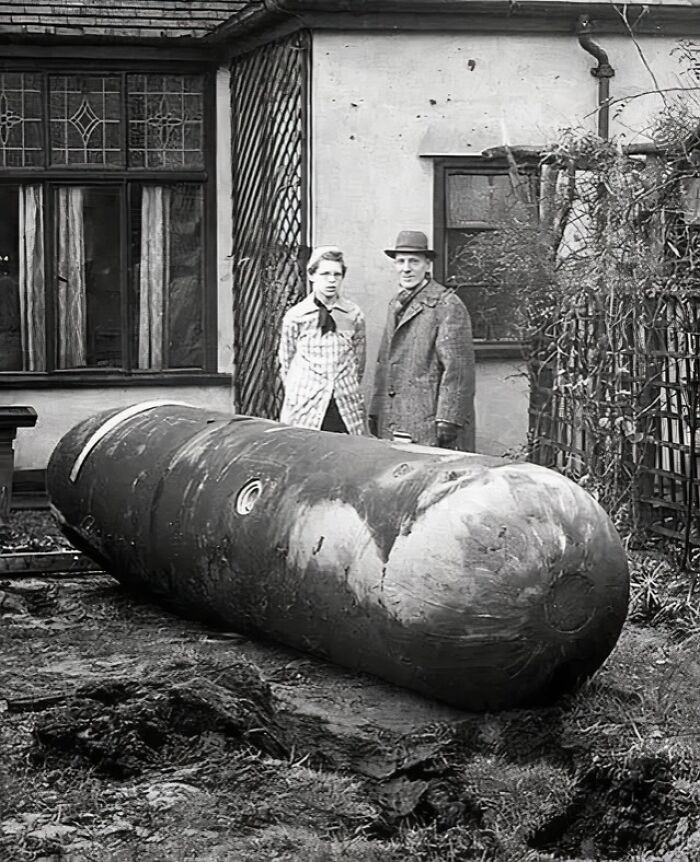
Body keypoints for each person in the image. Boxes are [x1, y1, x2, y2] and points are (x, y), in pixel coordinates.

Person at [369, 230, 475, 450]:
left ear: (427, 265)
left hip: (429, 422)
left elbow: (458, 369)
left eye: (414, 261)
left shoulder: (446, 305)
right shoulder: (395, 304)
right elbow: (385, 363)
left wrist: (448, 419)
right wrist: (376, 409)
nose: (406, 268)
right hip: (396, 419)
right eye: (400, 261)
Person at [279, 246, 366, 434]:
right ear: (312, 275)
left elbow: (358, 362)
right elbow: (286, 362)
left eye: (337, 274)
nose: (331, 280)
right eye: (325, 274)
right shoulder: (297, 316)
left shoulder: (353, 314)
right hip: (306, 407)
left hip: (344, 406)